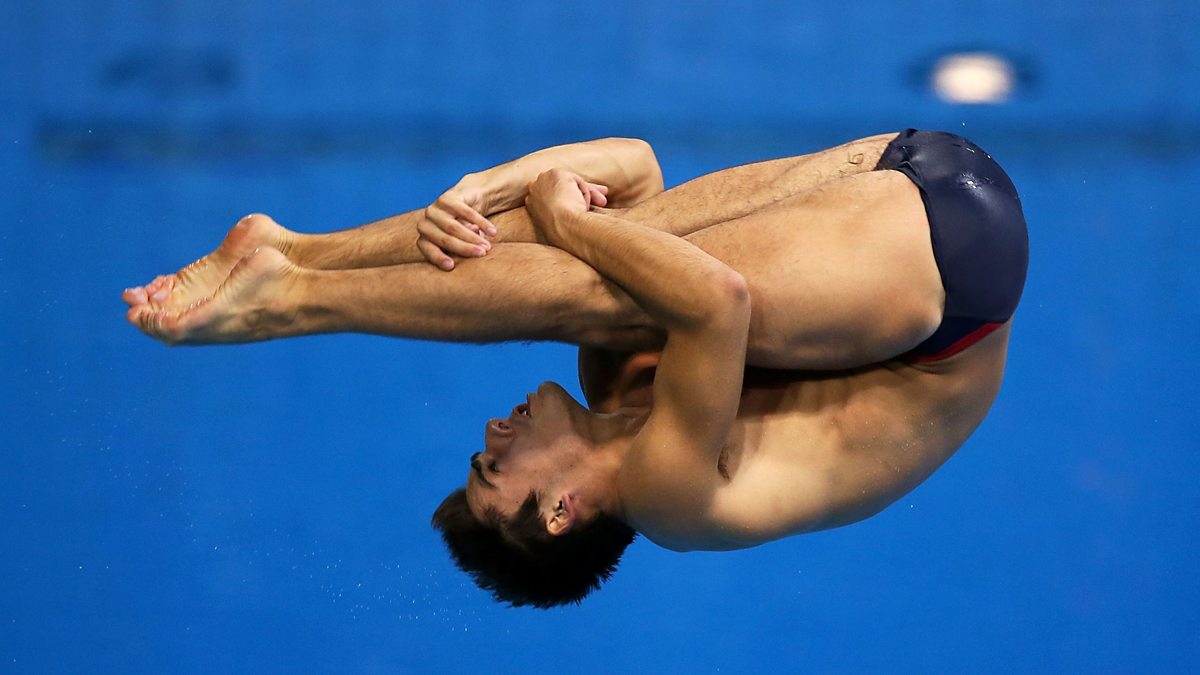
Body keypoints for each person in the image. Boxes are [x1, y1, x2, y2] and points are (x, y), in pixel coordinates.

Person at [123, 130, 1028, 608]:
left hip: (907, 165)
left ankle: (298, 252)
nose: (489, 436)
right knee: (601, 279)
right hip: (953, 283)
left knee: (602, 270)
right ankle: (290, 301)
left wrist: (499, 181)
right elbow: (717, 301)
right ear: (560, 512)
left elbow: (634, 171)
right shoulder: (673, 496)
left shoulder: (615, 382)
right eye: (491, 471)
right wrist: (564, 216)